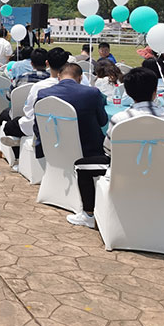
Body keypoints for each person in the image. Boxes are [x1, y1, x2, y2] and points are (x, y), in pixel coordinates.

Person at [65, 67, 164, 229]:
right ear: (155, 91)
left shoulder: (120, 118)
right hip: (163, 172)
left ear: (127, 92)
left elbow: (108, 150)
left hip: (124, 173)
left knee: (81, 166)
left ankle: (89, 214)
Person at [33, 64, 108, 217]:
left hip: (54, 148)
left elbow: (37, 126)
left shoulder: (43, 94)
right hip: (88, 150)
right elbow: (102, 121)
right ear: (80, 78)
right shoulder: (92, 93)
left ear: (58, 77)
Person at [0, 47, 69, 158]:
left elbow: (27, 109)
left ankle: (17, 155)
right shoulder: (69, 85)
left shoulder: (35, 85)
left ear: (47, 63)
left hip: (35, 124)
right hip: (63, 125)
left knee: (8, 123)